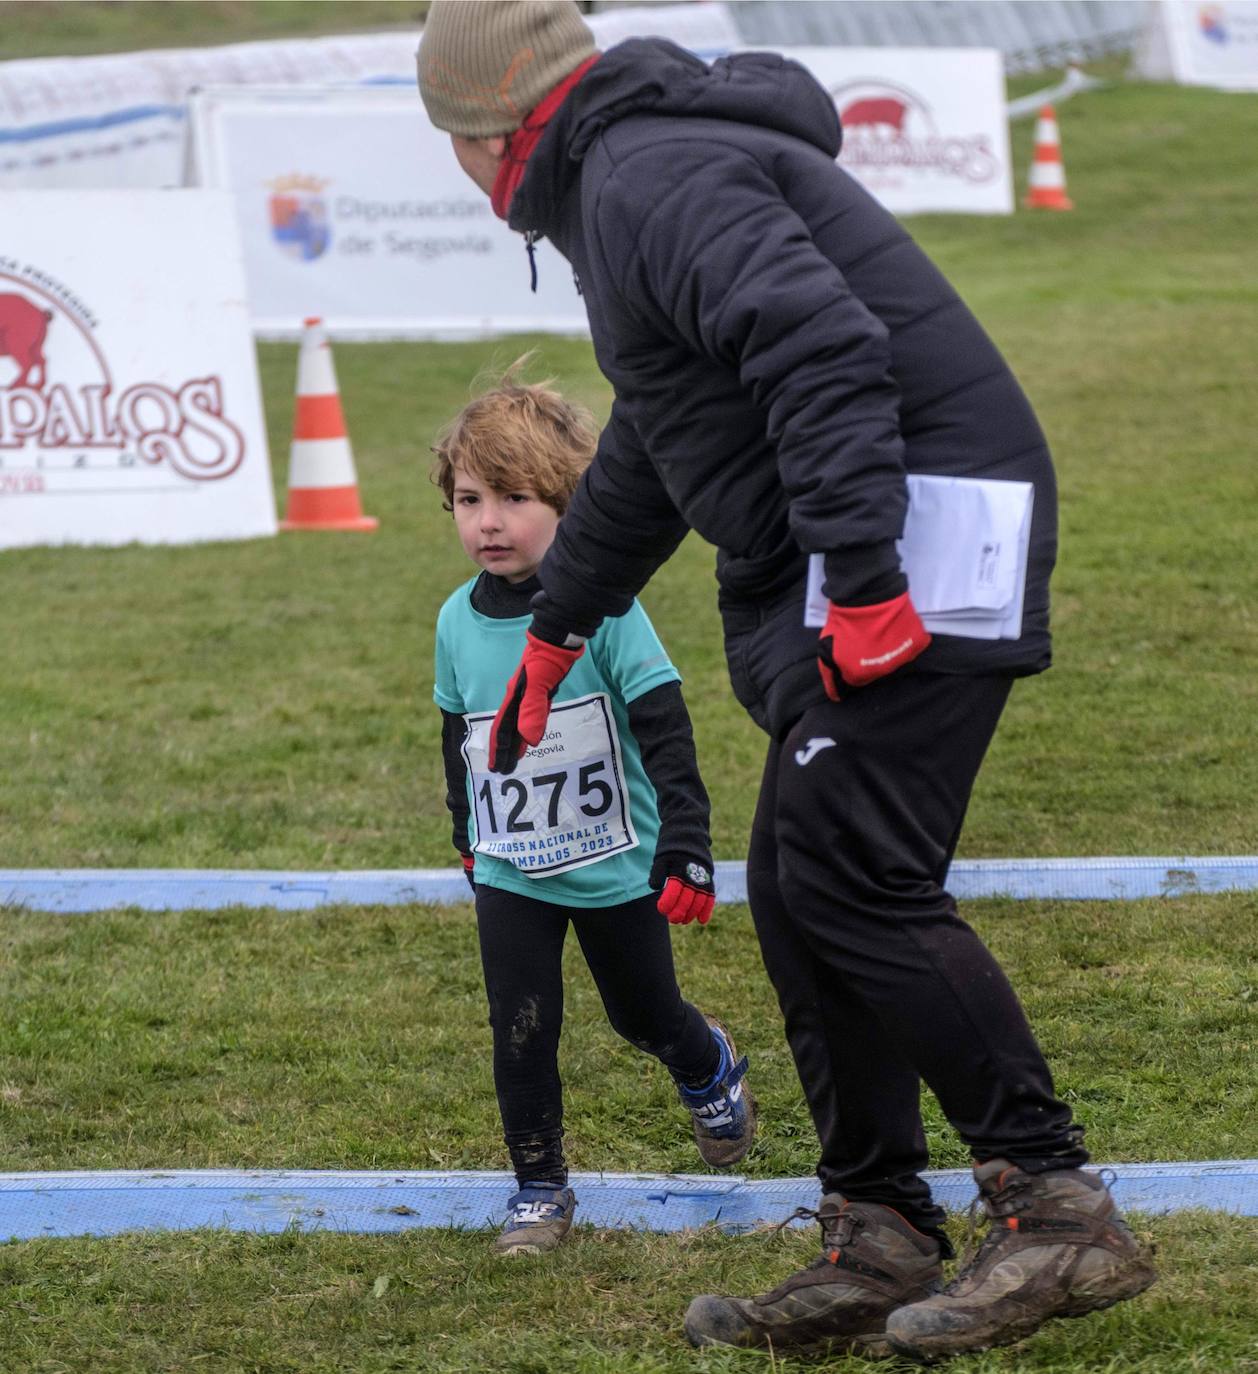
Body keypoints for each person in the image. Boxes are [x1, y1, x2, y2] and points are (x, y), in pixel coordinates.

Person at [417, 0, 1157, 1357]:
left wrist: (867, 576)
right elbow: (663, 430)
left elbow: (817, 345)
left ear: (480, 136)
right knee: (802, 881)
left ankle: (1054, 1205)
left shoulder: (642, 172)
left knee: (850, 875)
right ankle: (875, 1222)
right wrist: (559, 620)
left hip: (918, 525)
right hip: (889, 520)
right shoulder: (626, 175)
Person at [431, 365, 756, 1257]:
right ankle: (540, 1186)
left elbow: (665, 725)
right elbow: (459, 736)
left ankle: (706, 1062)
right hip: (512, 868)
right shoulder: (455, 620)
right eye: (467, 499)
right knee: (521, 1024)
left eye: (513, 498)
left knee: (642, 1016)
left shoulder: (605, 609)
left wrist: (685, 841)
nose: (486, 522)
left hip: (615, 868)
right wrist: (468, 841)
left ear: (571, 504)